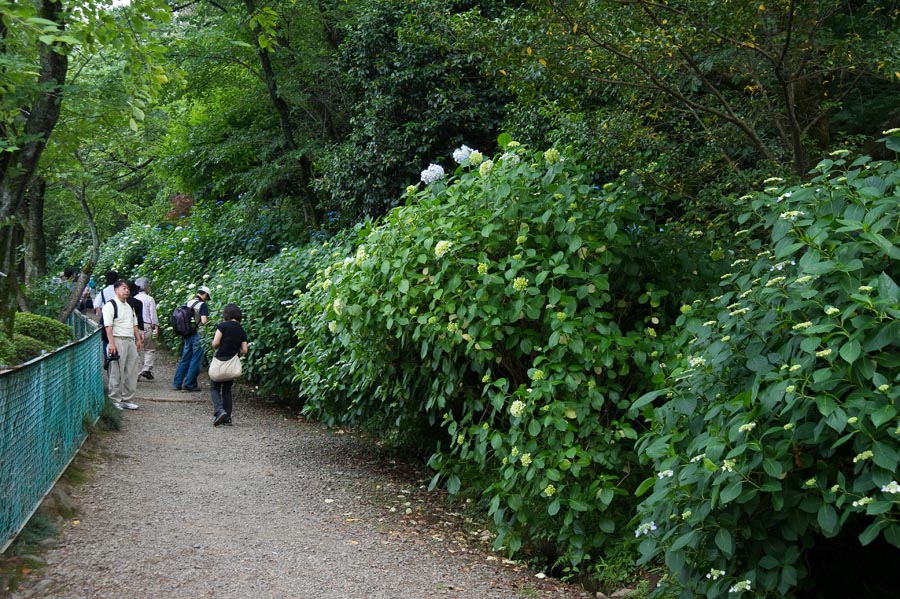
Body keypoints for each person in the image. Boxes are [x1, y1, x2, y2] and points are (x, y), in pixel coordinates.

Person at [102, 279, 143, 410]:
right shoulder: (110, 305)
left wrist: (138, 339)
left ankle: (127, 399)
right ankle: (115, 399)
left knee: (131, 370)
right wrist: (112, 344)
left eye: (128, 289)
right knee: (116, 371)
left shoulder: (129, 306)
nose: (127, 291)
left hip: (130, 339)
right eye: (124, 288)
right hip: (117, 339)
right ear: (116, 290)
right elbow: (108, 326)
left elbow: (134, 324)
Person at [210, 303, 248, 427]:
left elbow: (215, 343)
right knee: (227, 389)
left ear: (226, 314)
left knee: (215, 387)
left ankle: (219, 410)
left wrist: (219, 346)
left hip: (220, 360)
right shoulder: (241, 329)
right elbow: (244, 350)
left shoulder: (222, 326)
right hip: (232, 363)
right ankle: (228, 418)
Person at [172, 285, 211, 392]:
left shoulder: (188, 302)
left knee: (185, 358)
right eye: (207, 297)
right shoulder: (202, 305)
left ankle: (177, 383)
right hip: (198, 334)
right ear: (205, 295)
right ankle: (189, 384)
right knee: (196, 359)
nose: (207, 300)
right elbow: (203, 321)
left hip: (187, 333)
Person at [134, 277, 159, 380]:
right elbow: (153, 315)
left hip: (135, 326)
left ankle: (135, 372)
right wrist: (156, 328)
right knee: (149, 348)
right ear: (146, 287)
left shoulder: (133, 298)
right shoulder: (150, 299)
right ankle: (146, 368)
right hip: (147, 325)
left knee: (136, 349)